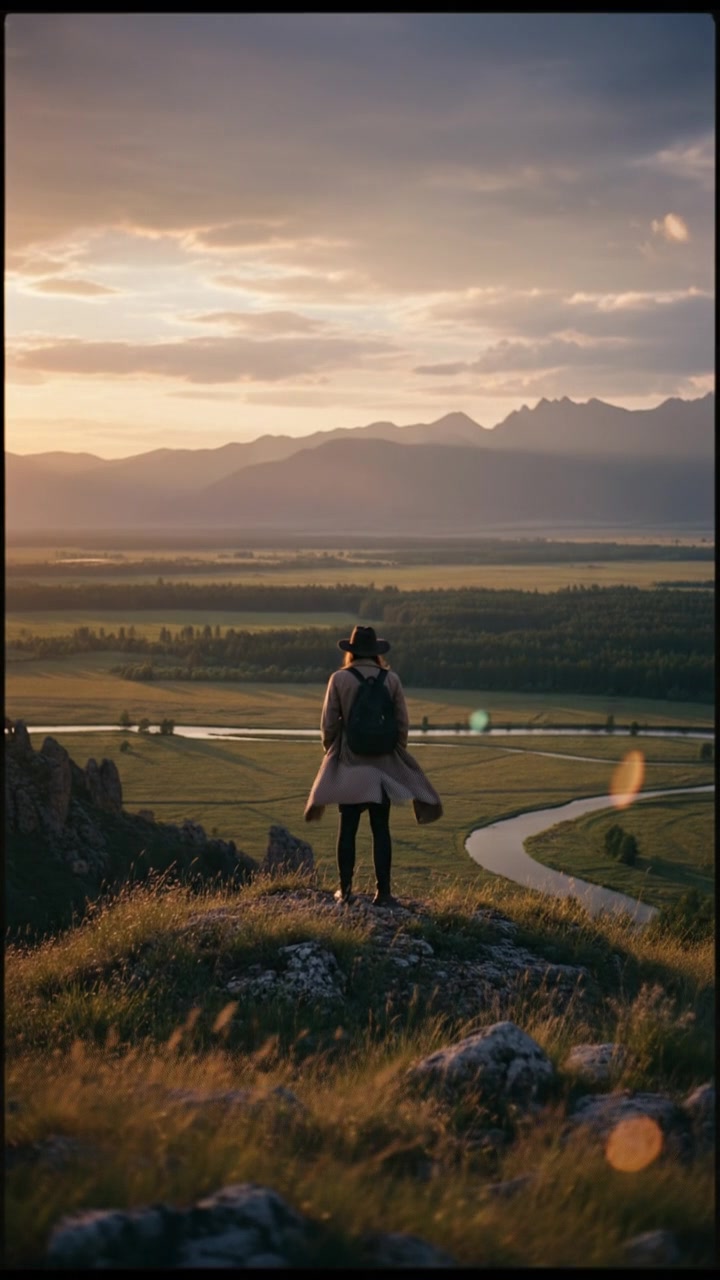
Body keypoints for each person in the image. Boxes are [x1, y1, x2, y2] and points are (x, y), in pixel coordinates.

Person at [304, 625, 443, 907]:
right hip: (382, 767)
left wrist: (334, 751)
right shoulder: (390, 679)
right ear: (376, 653)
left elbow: (328, 724)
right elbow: (402, 723)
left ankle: (345, 891)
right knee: (381, 829)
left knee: (348, 829)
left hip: (350, 764)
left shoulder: (339, 679)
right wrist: (393, 753)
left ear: (351, 652)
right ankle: (384, 893)